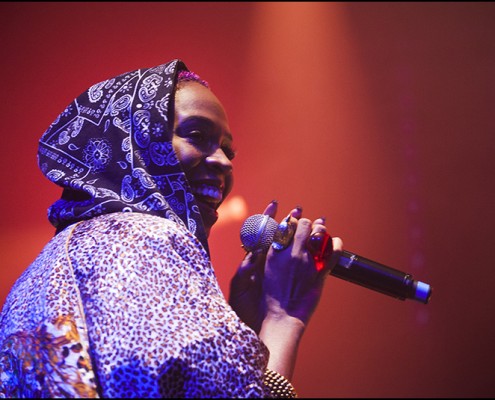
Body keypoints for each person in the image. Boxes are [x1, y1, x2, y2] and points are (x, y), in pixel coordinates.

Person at [0, 59, 343, 398]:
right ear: (135, 142)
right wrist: (284, 317)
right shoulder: (147, 239)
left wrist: (239, 326)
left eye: (227, 150)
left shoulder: (35, 279)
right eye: (196, 135)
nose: (224, 162)